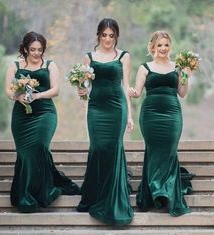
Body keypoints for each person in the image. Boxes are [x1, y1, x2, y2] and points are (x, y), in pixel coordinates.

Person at [5, 31, 80, 213]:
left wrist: (37, 96)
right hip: (22, 116)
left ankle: (40, 192)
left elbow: (55, 90)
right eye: (33, 49)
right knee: (25, 154)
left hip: (45, 113)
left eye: (40, 49)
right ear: (25, 49)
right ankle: (25, 194)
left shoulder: (50, 65)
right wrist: (18, 95)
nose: (37, 53)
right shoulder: (15, 66)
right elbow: (8, 91)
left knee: (39, 145)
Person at [128, 30, 194, 216]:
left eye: (166, 45)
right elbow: (138, 92)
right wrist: (132, 92)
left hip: (172, 114)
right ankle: (155, 192)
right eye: (159, 45)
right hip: (150, 115)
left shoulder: (177, 66)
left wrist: (186, 75)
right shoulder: (145, 67)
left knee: (169, 151)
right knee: (155, 152)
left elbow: (182, 93)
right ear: (153, 47)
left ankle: (167, 193)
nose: (163, 48)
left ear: (170, 47)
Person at [76, 18, 134, 225]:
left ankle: (113, 198)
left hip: (117, 109)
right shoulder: (89, 57)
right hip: (96, 108)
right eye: (104, 35)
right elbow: (84, 89)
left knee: (113, 148)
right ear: (98, 35)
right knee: (98, 148)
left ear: (116, 36)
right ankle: (95, 195)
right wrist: (81, 90)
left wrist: (129, 115)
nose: (108, 39)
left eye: (112, 35)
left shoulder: (124, 56)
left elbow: (126, 86)